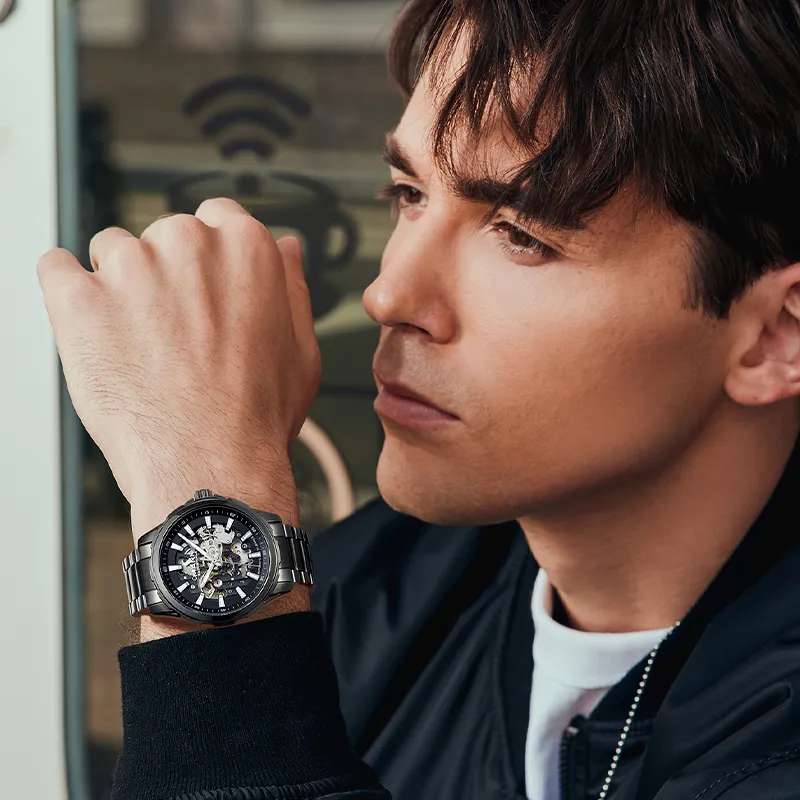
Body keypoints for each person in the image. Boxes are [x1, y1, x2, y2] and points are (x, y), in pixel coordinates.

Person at [37, 1, 800, 798]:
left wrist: (207, 491)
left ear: (775, 336)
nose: (389, 294)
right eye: (409, 192)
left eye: (521, 234)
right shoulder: (361, 598)